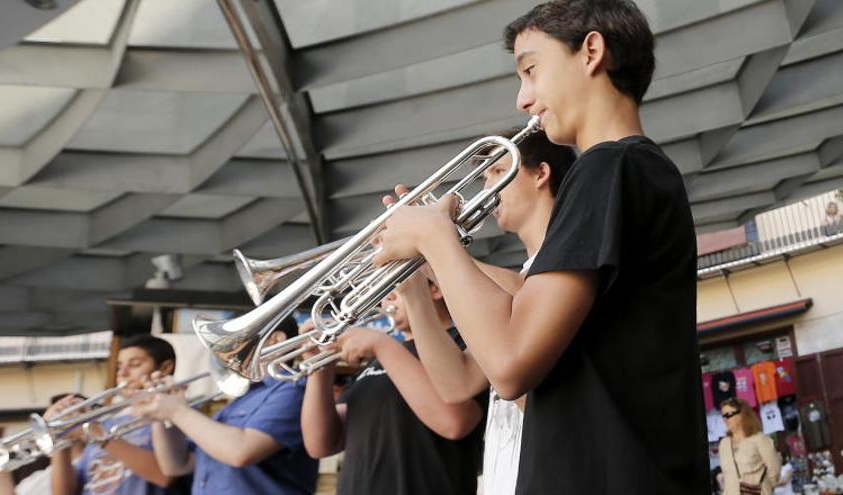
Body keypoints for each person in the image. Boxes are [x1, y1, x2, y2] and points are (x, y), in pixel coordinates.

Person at [374, 0, 710, 493]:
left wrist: (433, 238)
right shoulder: (632, 170)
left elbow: (508, 365)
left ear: (591, 51)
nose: (523, 99)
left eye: (531, 70)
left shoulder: (608, 167)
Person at [396, 129, 575, 494]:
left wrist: (434, 244)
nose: (486, 188)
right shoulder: (524, 277)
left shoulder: (562, 271)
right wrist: (414, 289)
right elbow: (456, 383)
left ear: (541, 173)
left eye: (497, 172)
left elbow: (546, 399)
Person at [300, 288, 485, 495]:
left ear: (434, 289)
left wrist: (382, 346)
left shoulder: (463, 345)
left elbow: (454, 422)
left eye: (393, 284)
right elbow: (320, 444)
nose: (385, 296)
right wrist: (319, 368)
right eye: (382, 289)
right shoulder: (378, 360)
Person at [132, 316, 318, 495]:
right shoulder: (244, 397)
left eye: (237, 339)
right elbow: (177, 465)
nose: (227, 350)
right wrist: (161, 412)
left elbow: (241, 452)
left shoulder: (294, 390)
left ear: (275, 339)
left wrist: (177, 411)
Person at [48, 334, 178, 495]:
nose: (122, 373)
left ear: (165, 368)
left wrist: (93, 431)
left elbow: (164, 475)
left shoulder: (176, 418)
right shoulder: (108, 424)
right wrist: (60, 441)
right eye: (119, 366)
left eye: (135, 364)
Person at [718, 398, 781, 495]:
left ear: (742, 414)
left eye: (729, 415)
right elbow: (727, 474)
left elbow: (774, 469)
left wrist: (764, 486)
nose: (725, 419)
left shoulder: (759, 439)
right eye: (723, 416)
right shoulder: (724, 444)